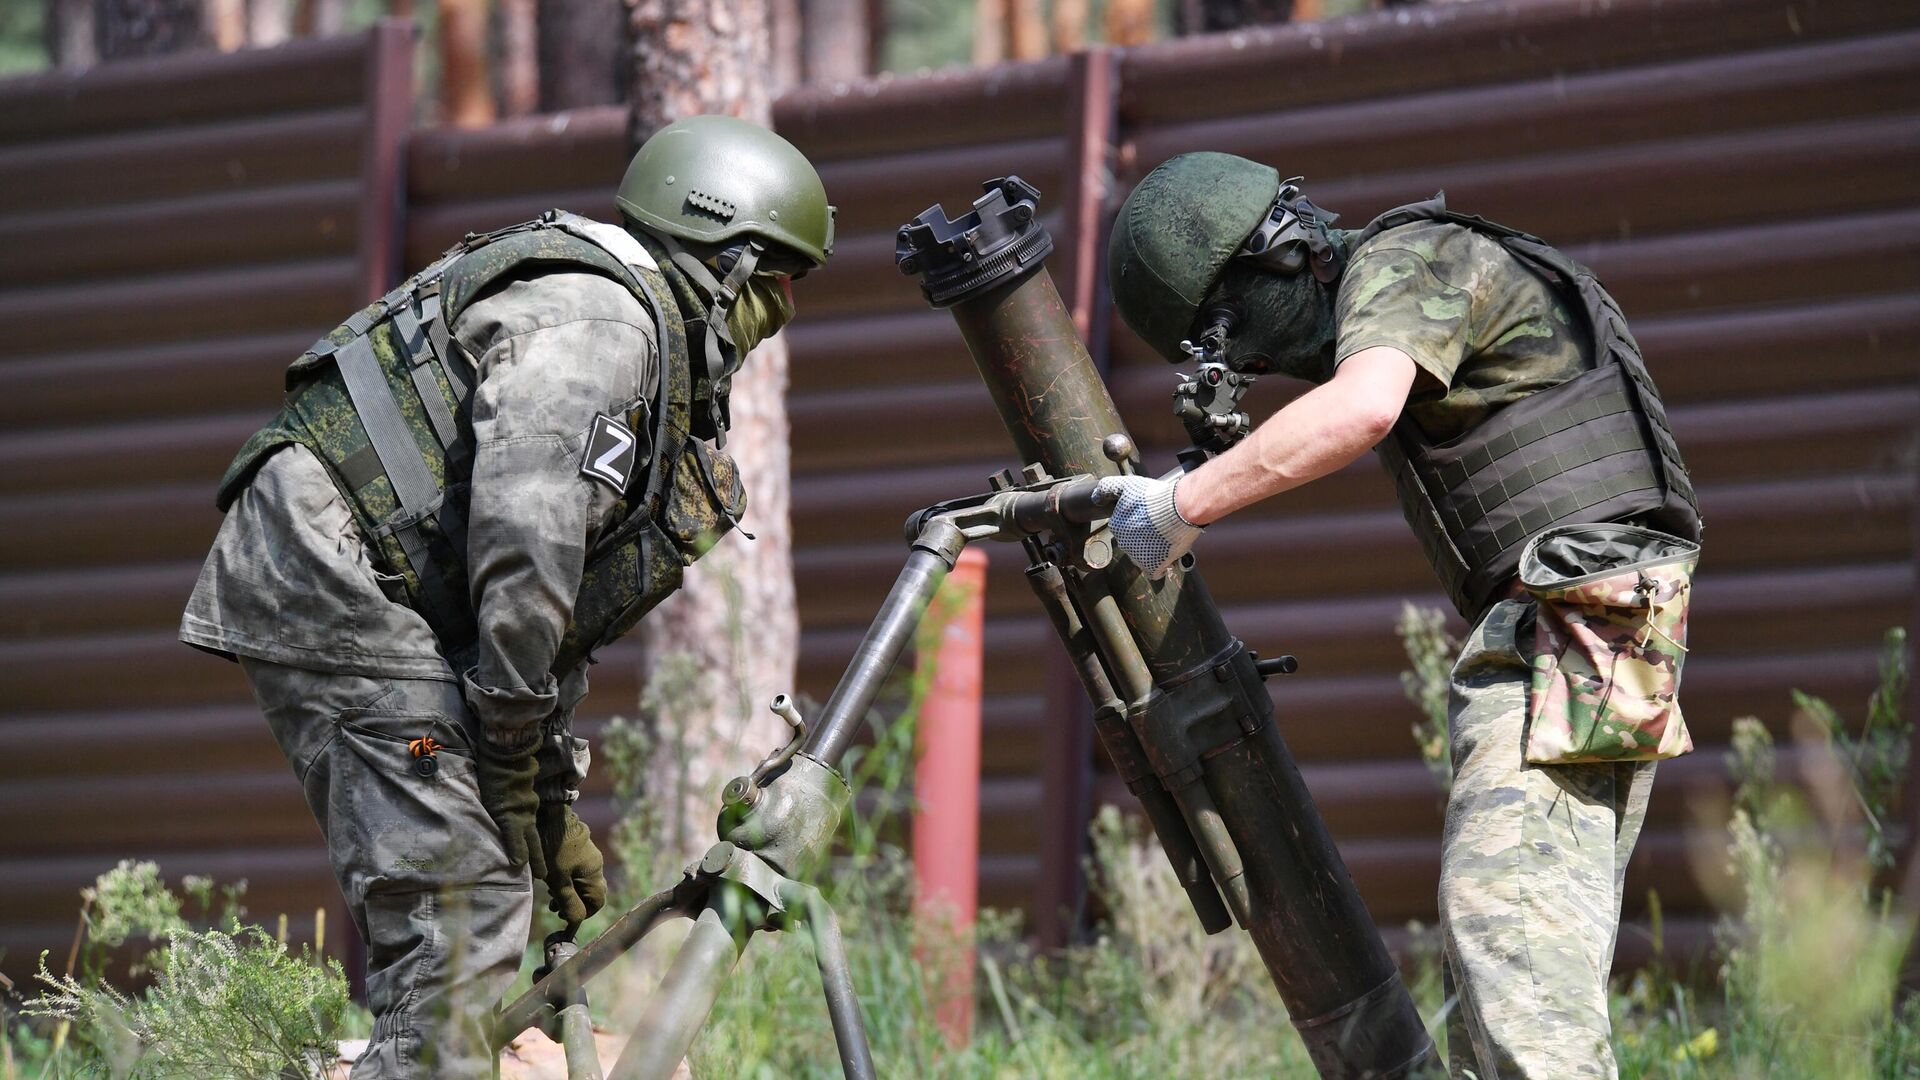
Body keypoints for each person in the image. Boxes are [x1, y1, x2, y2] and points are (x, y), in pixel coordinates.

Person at [179, 115, 834, 1077]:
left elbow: (546, 617)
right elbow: (524, 547)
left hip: (372, 582)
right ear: (723, 259)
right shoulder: (603, 326)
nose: (781, 313)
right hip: (328, 572)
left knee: (486, 877)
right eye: (776, 286)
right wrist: (514, 755)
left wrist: (542, 806)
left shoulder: (619, 323)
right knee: (463, 906)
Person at [1099, 152, 1702, 1079]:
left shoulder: (1409, 257)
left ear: (1282, 253)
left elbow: (1362, 408)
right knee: (1507, 963)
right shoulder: (1414, 275)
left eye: (1233, 334)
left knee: (1513, 934)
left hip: (1577, 609)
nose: (1255, 366)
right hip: (1591, 610)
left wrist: (1178, 508)